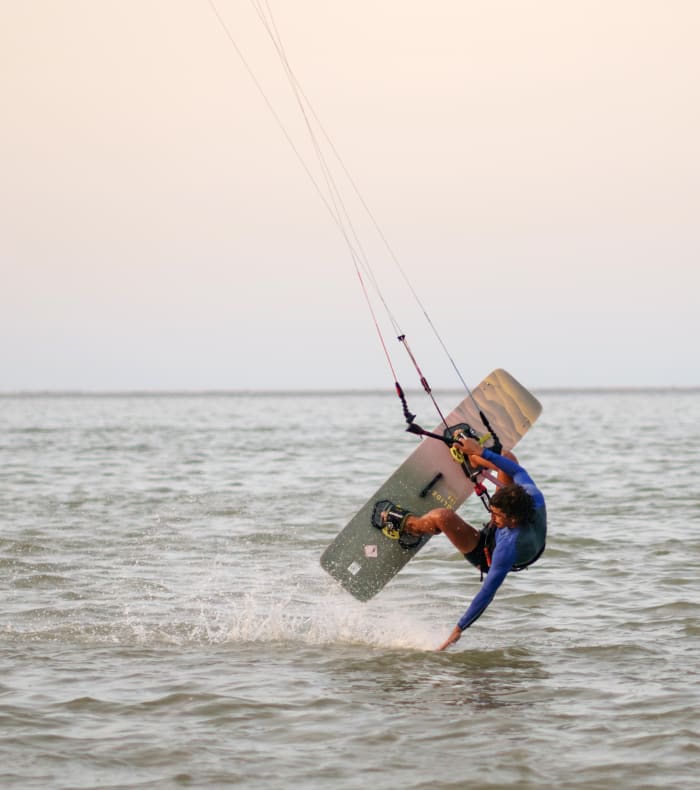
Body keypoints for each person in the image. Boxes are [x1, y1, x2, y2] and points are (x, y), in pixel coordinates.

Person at [376, 436, 546, 651]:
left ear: (512, 520)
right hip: (507, 530)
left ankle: (410, 527)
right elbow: (515, 470)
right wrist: (481, 453)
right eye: (492, 513)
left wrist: (458, 629)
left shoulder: (507, 550)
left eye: (497, 516)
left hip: (486, 553)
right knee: (507, 459)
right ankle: (473, 460)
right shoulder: (533, 496)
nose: (491, 519)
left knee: (442, 517)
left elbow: (487, 593)